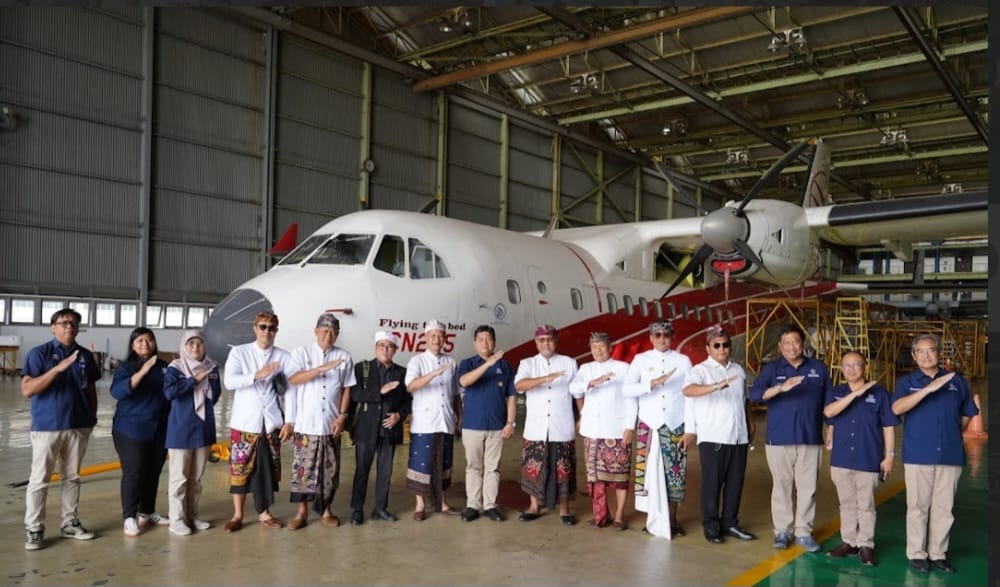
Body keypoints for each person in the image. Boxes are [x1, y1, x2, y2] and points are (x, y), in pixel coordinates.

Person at [891, 334, 978, 574]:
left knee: (944, 508)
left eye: (931, 350)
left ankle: (938, 553)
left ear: (939, 353)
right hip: (918, 454)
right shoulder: (907, 382)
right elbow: (897, 408)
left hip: (950, 454)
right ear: (914, 355)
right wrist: (927, 390)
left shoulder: (957, 382)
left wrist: (951, 433)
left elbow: (967, 413)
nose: (926, 355)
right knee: (917, 507)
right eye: (921, 351)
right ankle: (917, 554)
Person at [21, 308, 100, 550]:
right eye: (64, 322)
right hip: (48, 426)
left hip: (78, 425)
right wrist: (56, 369)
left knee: (72, 477)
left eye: (74, 323)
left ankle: (69, 523)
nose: (69, 327)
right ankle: (35, 528)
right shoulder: (40, 354)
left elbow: (90, 389)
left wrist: (91, 418)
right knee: (40, 479)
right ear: (53, 327)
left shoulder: (85, 355)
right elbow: (27, 389)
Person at [748, 324, 832, 552]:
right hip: (779, 439)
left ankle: (804, 532)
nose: (792, 347)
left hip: (810, 438)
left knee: (808, 488)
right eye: (787, 343)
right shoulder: (772, 369)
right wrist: (780, 387)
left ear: (803, 343)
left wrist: (831, 430)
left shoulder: (818, 368)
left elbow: (829, 401)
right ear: (780, 346)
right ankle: (782, 531)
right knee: (781, 487)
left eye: (796, 342)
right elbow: (754, 395)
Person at [823, 351, 899, 566]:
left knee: (866, 505)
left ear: (865, 367)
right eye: (847, 365)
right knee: (847, 503)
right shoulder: (836, 392)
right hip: (841, 458)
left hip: (868, 457)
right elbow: (829, 413)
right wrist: (856, 394)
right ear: (841, 369)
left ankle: (865, 544)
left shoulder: (880, 394)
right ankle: (849, 542)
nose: (851, 369)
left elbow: (889, 427)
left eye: (856, 364)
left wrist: (889, 456)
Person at [682, 325, 757, 544]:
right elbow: (688, 391)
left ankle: (730, 523)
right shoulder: (700, 371)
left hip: (738, 436)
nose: (722, 349)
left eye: (725, 345)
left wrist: (750, 422)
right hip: (714, 436)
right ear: (708, 348)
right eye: (717, 345)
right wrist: (715, 386)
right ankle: (711, 526)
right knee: (712, 484)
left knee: (735, 483)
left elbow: (744, 399)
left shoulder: (738, 370)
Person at [222, 310, 293, 532]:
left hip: (271, 422)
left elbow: (290, 391)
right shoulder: (239, 352)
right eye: (263, 327)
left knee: (267, 469)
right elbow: (229, 382)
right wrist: (256, 375)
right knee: (240, 470)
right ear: (255, 329)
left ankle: (264, 513)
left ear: (276, 331)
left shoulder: (284, 357)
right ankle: (238, 515)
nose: (266, 332)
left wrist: (289, 421)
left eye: (271, 328)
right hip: (245, 422)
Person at [285, 313, 356, 530]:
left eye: (333, 332)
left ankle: (326, 510)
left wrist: (342, 416)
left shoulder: (344, 356)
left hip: (330, 424)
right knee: (303, 471)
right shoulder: (301, 353)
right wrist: (319, 370)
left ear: (338, 334)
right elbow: (293, 379)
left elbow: (347, 388)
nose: (328, 335)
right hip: (306, 424)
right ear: (316, 331)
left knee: (329, 471)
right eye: (325, 331)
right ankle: (302, 512)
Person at [623, 320, 693, 538]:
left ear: (672, 337)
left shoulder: (683, 361)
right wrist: (650, 384)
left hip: (675, 424)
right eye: (658, 335)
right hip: (649, 424)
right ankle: (651, 519)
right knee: (648, 474)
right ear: (651, 338)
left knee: (675, 474)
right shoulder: (641, 360)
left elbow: (690, 396)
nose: (662, 339)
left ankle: (672, 520)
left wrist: (691, 429)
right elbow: (627, 390)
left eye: (666, 335)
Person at [570, 332, 636, 531]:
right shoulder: (586, 368)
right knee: (595, 477)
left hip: (617, 430)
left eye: (601, 346)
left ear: (610, 347)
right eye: (594, 347)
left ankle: (619, 516)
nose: (598, 350)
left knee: (620, 477)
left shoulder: (624, 368)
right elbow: (574, 389)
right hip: (593, 429)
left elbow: (631, 399)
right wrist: (592, 382)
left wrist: (630, 426)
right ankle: (600, 515)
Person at [514, 325, 579, 525]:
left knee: (563, 468)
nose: (545, 344)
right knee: (533, 468)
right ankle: (534, 506)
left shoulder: (569, 363)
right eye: (541, 340)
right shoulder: (528, 363)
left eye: (549, 340)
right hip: (536, 427)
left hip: (561, 424)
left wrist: (583, 415)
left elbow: (577, 392)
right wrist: (545, 379)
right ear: (536, 343)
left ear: (556, 341)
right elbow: (519, 385)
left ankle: (565, 509)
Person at [110, 327, 171, 537]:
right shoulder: (126, 367)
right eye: (140, 341)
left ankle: (147, 511)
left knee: (153, 470)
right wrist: (143, 371)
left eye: (149, 340)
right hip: (131, 429)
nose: (145, 344)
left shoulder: (163, 366)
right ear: (133, 345)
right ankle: (129, 516)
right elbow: (117, 391)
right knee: (134, 472)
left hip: (158, 428)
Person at [163, 329, 222, 536]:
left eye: (199, 343)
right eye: (191, 343)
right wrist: (193, 380)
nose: (195, 347)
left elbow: (215, 395)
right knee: (179, 478)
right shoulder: (176, 368)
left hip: (203, 429)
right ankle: (176, 520)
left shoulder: (211, 368)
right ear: (184, 346)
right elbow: (170, 392)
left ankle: (191, 516)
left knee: (196, 479)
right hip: (181, 429)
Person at [348, 330, 411, 524]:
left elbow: (408, 400)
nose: (385, 349)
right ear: (375, 348)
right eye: (382, 345)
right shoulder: (362, 368)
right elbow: (355, 394)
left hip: (389, 429)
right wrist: (380, 392)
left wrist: (399, 415)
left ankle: (380, 508)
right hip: (366, 429)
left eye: (390, 346)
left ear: (395, 350)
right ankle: (357, 510)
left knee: (385, 472)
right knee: (362, 470)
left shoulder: (402, 373)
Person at [457, 325, 517, 522]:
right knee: (474, 466)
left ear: (494, 342)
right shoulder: (467, 363)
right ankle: (473, 505)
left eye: (488, 339)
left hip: (497, 426)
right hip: (472, 425)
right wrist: (487, 364)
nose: (485, 342)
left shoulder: (505, 366)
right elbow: (464, 381)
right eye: (481, 339)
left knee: (493, 468)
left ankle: (490, 505)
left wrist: (510, 422)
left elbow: (511, 396)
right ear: (475, 343)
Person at [405, 320, 463, 521]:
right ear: (426, 338)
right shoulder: (417, 361)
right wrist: (434, 373)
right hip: (425, 422)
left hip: (445, 420)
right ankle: (420, 505)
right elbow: (411, 386)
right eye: (433, 336)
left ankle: (442, 502)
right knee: (421, 465)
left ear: (445, 338)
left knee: (443, 463)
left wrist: (459, 418)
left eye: (440, 336)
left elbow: (456, 394)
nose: (436, 339)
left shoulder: (451, 362)